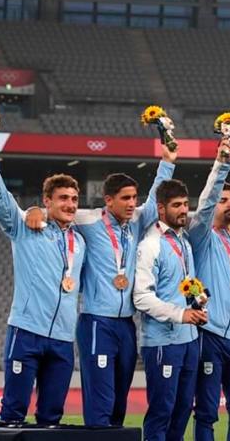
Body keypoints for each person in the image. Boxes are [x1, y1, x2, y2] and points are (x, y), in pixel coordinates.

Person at [25, 136, 176, 426]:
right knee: (101, 398)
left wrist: (167, 162)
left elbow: (157, 193)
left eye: (134, 198)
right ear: (108, 200)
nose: (132, 204)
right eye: (125, 198)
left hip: (126, 324)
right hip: (96, 322)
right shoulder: (88, 220)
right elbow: (59, 211)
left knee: (119, 400)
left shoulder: (137, 220)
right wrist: (35, 210)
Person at [0, 125, 86, 425]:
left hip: (63, 340)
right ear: (47, 201)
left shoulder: (81, 242)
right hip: (26, 333)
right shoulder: (26, 228)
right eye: (63, 198)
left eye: (74, 199)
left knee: (52, 417)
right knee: (13, 412)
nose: (70, 204)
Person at [188, 139, 230, 441]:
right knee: (206, 411)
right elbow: (203, 209)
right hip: (211, 335)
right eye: (223, 200)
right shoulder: (202, 239)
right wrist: (222, 164)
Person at [134, 179, 208, 441]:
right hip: (163, 342)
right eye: (176, 205)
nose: (183, 210)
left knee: (183, 410)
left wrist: (198, 303)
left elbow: (185, 286)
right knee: (162, 412)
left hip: (188, 340)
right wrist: (181, 314)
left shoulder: (184, 242)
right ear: (161, 208)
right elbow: (141, 297)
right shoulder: (150, 245)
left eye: (186, 204)